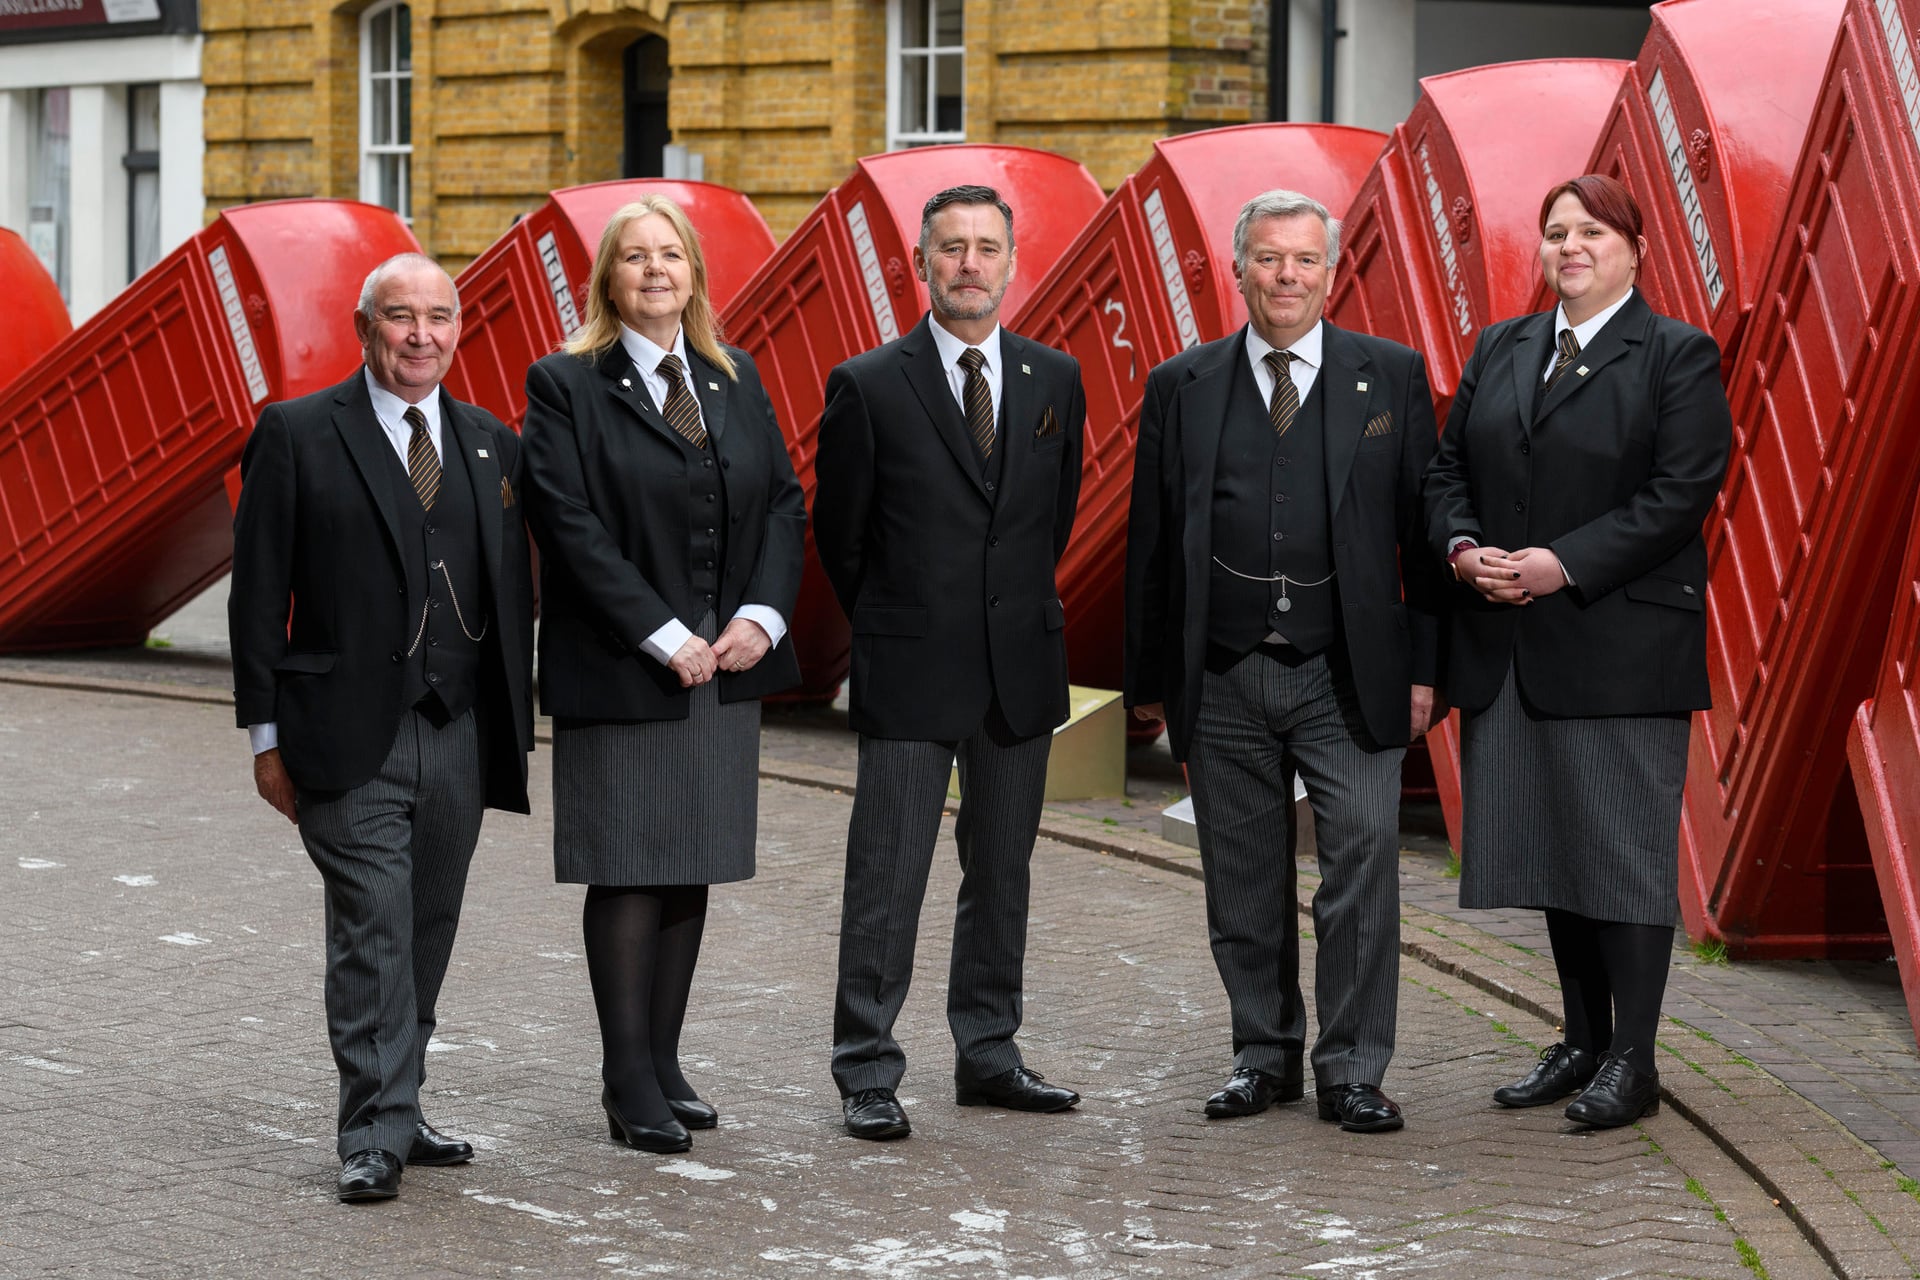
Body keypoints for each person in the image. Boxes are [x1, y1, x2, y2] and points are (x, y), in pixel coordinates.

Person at [1124, 190, 1443, 1134]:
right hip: (1222, 675)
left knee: (1361, 862)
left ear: (1331, 271)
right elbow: (1149, 545)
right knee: (1242, 877)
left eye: (1304, 260)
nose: (1287, 277)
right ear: (1238, 270)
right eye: (1268, 259)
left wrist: (1426, 672)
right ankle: (1262, 1057)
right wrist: (1146, 683)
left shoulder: (1388, 377)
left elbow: (1426, 547)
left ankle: (1351, 1067)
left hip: (1347, 676)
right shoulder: (1180, 384)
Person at [1424, 174, 1731, 1128]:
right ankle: (1582, 1041)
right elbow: (1446, 470)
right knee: (1558, 847)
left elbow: (1681, 492)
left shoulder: (1676, 355)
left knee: (1622, 854)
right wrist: (1464, 549)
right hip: (1512, 640)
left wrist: (1564, 563)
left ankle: (1633, 1063)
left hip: (1618, 646)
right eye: (1555, 231)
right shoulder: (1502, 346)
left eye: (1590, 231)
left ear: (1635, 248)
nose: (1569, 247)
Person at [228, 252, 535, 1202]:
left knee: (428, 925)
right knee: (373, 926)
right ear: (367, 330)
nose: (420, 335)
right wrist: (264, 740)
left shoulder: (490, 443)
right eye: (399, 317)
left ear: (456, 330)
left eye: (438, 317)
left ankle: (401, 1099)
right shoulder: (298, 432)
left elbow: (508, 585)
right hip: (345, 734)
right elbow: (255, 598)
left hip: (460, 732)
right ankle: (372, 1130)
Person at [521, 196, 805, 1155]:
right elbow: (568, 524)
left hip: (723, 665)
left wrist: (761, 618)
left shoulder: (734, 374)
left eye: (670, 255)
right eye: (635, 258)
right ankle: (625, 1076)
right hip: (625, 664)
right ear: (609, 278)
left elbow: (782, 504)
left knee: (692, 865)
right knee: (630, 868)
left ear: (693, 274)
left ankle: (666, 1061)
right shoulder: (567, 385)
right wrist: (660, 631)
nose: (655, 271)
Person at [815, 184, 1087, 1141]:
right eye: (951, 249)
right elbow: (840, 539)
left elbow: (1050, 521)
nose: (969, 264)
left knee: (1001, 870)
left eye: (986, 248)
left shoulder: (1055, 378)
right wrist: (900, 623)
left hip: (1018, 668)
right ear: (920, 265)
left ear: (1013, 263)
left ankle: (989, 1053)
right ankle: (867, 1066)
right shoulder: (868, 383)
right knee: (887, 873)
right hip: (910, 666)